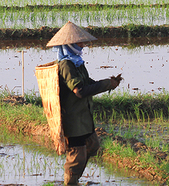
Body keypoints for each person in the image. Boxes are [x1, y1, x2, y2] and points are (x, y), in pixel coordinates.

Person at [46, 21, 123, 185]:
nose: (83, 45)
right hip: (73, 119)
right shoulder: (66, 65)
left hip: (83, 117)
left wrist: (109, 83)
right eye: (79, 42)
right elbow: (79, 91)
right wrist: (106, 84)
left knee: (93, 145)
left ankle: (74, 177)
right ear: (70, 44)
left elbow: (87, 83)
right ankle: (71, 181)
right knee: (77, 155)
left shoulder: (77, 63)